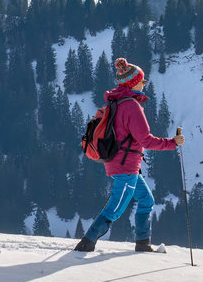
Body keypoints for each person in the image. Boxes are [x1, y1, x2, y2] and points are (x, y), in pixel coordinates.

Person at [75, 57, 184, 253]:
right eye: (142, 80)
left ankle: (143, 243)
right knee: (115, 208)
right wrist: (172, 143)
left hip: (122, 163)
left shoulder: (117, 103)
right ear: (133, 83)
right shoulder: (132, 106)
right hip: (125, 167)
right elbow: (146, 140)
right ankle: (86, 243)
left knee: (146, 200)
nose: (145, 83)